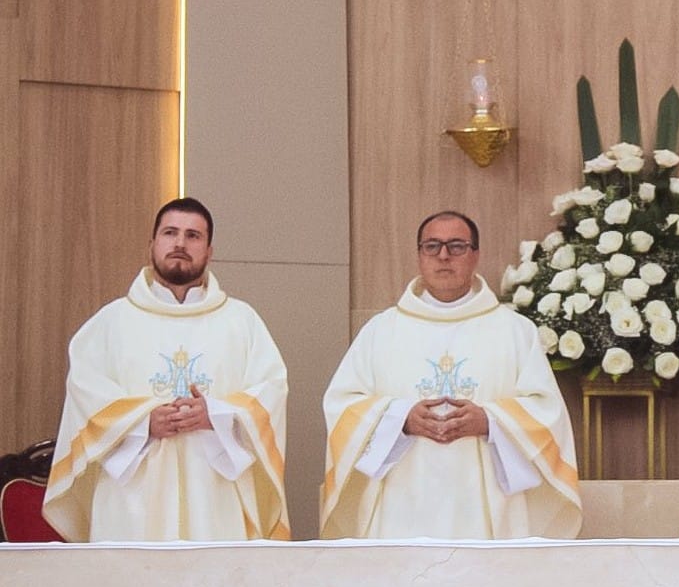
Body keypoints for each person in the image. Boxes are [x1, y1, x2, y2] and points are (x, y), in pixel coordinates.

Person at [320, 211, 581, 539]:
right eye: (432, 246)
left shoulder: (514, 331)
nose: (443, 256)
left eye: (456, 246)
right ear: (419, 255)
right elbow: (342, 404)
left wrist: (490, 421)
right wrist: (400, 418)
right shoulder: (381, 331)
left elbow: (547, 411)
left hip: (488, 503)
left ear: (476, 255)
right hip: (402, 497)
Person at [43, 198, 289, 541]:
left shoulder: (241, 322)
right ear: (152, 245)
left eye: (193, 236)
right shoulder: (111, 322)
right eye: (170, 233)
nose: (180, 244)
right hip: (131, 495)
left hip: (214, 492)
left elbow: (270, 392)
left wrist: (214, 413)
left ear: (209, 251)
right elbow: (85, 392)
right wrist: (143, 421)